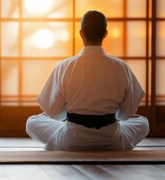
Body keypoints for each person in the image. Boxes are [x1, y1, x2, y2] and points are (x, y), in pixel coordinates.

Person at [26, 10, 149, 151]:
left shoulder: (65, 66)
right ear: (105, 34)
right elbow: (125, 115)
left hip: (72, 140)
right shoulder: (121, 66)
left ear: (81, 33)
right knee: (142, 122)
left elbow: (56, 114)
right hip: (111, 140)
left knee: (32, 122)